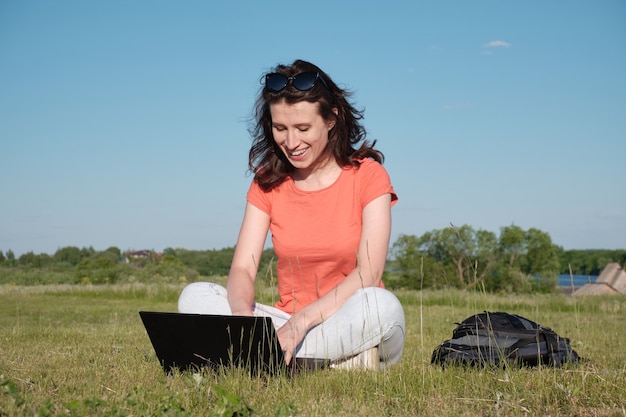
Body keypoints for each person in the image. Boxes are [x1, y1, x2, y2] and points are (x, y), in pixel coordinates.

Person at [178, 59, 405, 369]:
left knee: (383, 307)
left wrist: (300, 324)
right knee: (194, 296)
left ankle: (273, 357)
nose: (291, 142)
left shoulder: (369, 175)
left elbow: (369, 274)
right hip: (283, 323)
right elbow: (243, 268)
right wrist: (243, 317)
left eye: (302, 128)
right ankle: (328, 361)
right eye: (280, 128)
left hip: (344, 316)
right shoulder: (267, 182)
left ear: (330, 120)